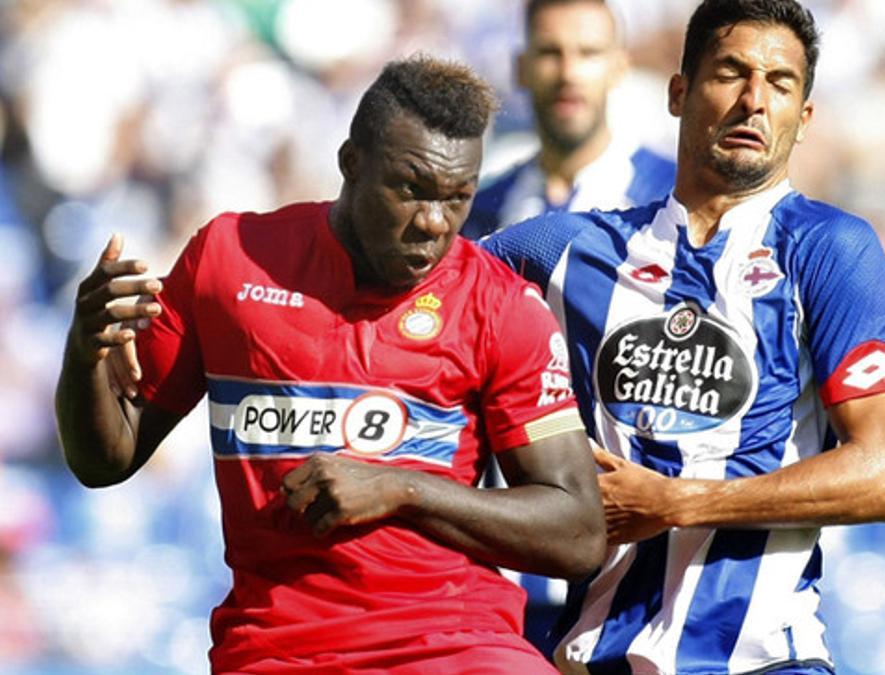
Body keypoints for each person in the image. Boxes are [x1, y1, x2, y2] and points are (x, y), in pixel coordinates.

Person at [55, 55, 605, 673]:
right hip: (277, 649)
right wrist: (84, 349)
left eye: (457, 199)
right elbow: (105, 459)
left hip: (456, 645)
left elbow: (579, 533)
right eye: (412, 189)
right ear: (351, 163)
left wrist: (400, 489)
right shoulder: (229, 263)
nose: (433, 223)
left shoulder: (500, 307)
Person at [483, 1, 885, 673]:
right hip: (589, 654)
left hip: (765, 660)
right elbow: (416, 296)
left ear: (803, 119)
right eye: (731, 73)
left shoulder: (833, 249)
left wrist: (677, 501)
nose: (753, 101)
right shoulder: (566, 249)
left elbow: (884, 474)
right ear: (679, 92)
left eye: (780, 84)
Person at [459, 0, 675, 240]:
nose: (568, 73)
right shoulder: (481, 212)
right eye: (549, 53)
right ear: (520, 69)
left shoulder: (671, 198)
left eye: (588, 53)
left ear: (619, 68)